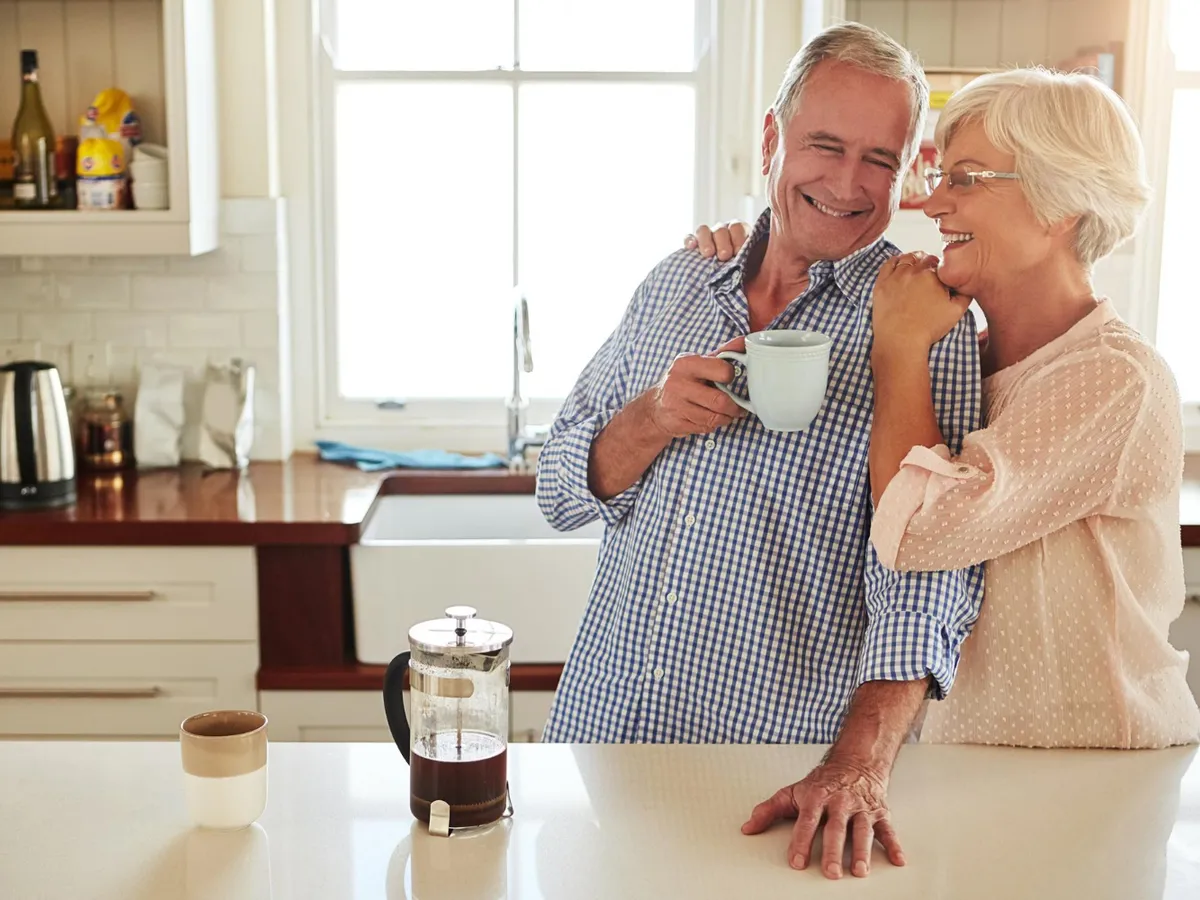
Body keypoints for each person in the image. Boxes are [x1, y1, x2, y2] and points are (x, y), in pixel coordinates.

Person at [536, 23, 985, 880]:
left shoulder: (928, 328)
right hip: (598, 743)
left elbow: (930, 573)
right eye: (825, 145)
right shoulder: (675, 285)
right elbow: (558, 489)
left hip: (771, 784)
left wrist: (859, 765)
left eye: (880, 161)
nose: (849, 184)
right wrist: (649, 420)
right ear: (774, 136)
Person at [693, 67, 1200, 750]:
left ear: (1060, 205)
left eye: (963, 179)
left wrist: (899, 344)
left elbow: (918, 536)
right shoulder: (974, 363)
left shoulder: (1112, 379)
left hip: (1094, 773)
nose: (932, 207)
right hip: (974, 764)